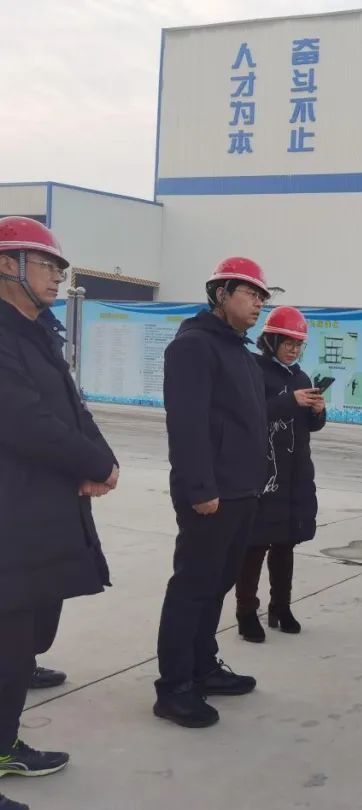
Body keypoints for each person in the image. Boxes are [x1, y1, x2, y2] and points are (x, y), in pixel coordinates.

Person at [0, 217, 119, 798]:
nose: (56, 277)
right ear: (7, 264)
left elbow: (72, 408)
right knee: (9, 642)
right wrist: (91, 462)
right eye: (47, 264)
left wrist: (101, 458)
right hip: (11, 519)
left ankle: (5, 743)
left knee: (25, 639)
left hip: (38, 513)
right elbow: (24, 420)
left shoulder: (38, 334)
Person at [154, 257, 271, 728]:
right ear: (221, 294)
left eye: (263, 297)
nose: (259, 303)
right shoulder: (194, 347)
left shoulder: (239, 352)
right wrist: (201, 487)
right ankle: (174, 687)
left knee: (218, 584)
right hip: (211, 493)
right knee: (192, 588)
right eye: (251, 294)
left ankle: (203, 666)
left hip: (242, 491)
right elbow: (187, 425)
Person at [235, 306, 326, 643]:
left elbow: (310, 425)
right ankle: (246, 612)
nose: (293, 349)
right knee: (254, 546)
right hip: (263, 474)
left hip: (295, 474)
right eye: (288, 342)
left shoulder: (301, 378)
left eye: (299, 344)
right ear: (271, 341)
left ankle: (281, 606)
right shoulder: (253, 370)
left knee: (286, 543)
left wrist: (318, 411)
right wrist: (290, 401)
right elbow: (249, 414)